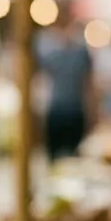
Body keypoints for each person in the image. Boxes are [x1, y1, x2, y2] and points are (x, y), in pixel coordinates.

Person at [39, 16, 95, 161]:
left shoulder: (75, 54)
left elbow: (88, 84)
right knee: (64, 156)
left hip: (68, 109)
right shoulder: (57, 53)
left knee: (67, 156)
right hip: (63, 109)